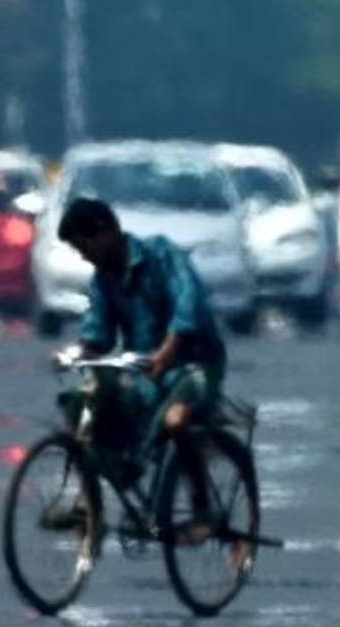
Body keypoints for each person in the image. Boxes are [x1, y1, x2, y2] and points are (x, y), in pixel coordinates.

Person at [54, 198, 226, 532]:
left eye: (84, 245)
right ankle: (89, 506)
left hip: (196, 365)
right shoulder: (103, 280)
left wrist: (169, 348)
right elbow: (98, 332)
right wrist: (77, 352)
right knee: (83, 407)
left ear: (105, 233)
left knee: (176, 421)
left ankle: (202, 507)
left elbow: (189, 301)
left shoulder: (162, 254)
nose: (83, 255)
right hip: (146, 372)